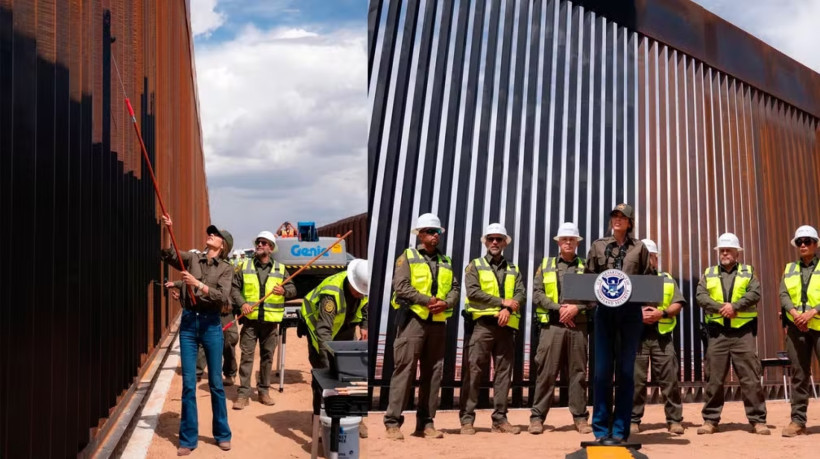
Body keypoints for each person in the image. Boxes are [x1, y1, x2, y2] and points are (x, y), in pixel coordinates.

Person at [160, 215, 233, 455]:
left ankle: (222, 434)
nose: (210, 235)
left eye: (215, 234)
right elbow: (170, 255)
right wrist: (167, 229)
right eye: (210, 233)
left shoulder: (226, 268)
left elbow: (222, 297)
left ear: (223, 245)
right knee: (189, 384)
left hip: (212, 324)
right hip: (190, 323)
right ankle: (187, 439)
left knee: (215, 384)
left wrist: (197, 285)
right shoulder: (193, 259)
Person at [383, 213, 460, 440]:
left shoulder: (446, 261)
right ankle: (393, 422)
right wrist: (428, 301)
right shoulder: (408, 256)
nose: (434, 235)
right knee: (404, 371)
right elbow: (401, 286)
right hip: (413, 321)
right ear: (421, 234)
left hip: (437, 323)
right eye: (430, 231)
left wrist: (446, 302)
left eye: (437, 232)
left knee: (433, 373)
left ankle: (426, 423)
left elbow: (455, 288)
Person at [585, 203, 651, 444]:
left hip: (630, 315)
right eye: (614, 215)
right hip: (604, 315)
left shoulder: (640, 248)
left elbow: (649, 280)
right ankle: (601, 430)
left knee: (625, 373)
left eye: (622, 217)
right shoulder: (598, 246)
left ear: (630, 222)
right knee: (602, 373)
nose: (617, 219)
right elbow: (587, 278)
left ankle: (621, 430)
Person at [696, 232, 769, 435]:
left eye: (729, 250)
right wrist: (722, 307)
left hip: (742, 334)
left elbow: (755, 293)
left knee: (750, 378)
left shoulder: (748, 272)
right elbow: (700, 295)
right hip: (717, 334)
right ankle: (710, 420)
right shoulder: (709, 273)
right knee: (714, 378)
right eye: (722, 250)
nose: (725, 253)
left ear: (737, 253)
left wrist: (735, 306)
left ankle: (757, 420)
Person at [460, 223, 526, 435]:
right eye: (491, 239)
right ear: (485, 242)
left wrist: (507, 307)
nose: (495, 242)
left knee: (503, 374)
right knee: (473, 372)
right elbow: (473, 292)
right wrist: (503, 303)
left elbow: (520, 295)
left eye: (499, 239)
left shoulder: (514, 268)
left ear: (505, 242)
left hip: (506, 327)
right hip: (482, 326)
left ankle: (500, 419)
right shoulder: (475, 265)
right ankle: (467, 419)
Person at [528, 222, 592, 435]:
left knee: (578, 373)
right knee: (546, 372)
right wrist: (559, 309)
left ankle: (580, 418)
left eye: (571, 239)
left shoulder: (586, 267)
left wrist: (576, 308)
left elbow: (595, 298)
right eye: (564, 239)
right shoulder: (545, 265)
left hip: (578, 327)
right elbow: (537, 293)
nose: (568, 242)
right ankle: (537, 418)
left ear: (577, 243)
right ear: (558, 242)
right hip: (552, 327)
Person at [301, 258, 370, 436]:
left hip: (345, 330)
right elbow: (323, 331)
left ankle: (355, 417)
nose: (362, 295)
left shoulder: (364, 285)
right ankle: (320, 418)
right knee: (324, 377)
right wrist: (328, 361)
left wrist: (364, 326)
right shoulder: (331, 294)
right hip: (320, 331)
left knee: (353, 376)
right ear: (351, 282)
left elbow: (366, 309)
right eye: (359, 291)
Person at [232, 231, 297, 409]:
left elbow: (292, 289)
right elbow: (235, 289)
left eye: (264, 243)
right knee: (246, 357)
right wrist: (242, 303)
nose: (259, 245)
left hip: (270, 323)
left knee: (267, 358)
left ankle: (264, 391)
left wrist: (284, 292)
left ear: (270, 248)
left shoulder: (281, 269)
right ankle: (243, 394)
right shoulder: (244, 266)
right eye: (258, 242)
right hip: (251, 322)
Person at [630, 239, 686, 435]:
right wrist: (638, 315)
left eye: (650, 257)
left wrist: (660, 314)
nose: (648, 260)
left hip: (662, 338)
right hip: (637, 339)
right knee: (635, 382)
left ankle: (674, 420)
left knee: (669, 381)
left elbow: (678, 303)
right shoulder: (628, 280)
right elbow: (619, 307)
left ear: (655, 259)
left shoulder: (667, 278)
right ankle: (633, 420)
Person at [779, 225, 820, 437]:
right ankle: (798, 421)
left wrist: (812, 313)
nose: (803, 245)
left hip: (819, 325)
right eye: (800, 242)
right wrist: (796, 314)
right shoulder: (789, 268)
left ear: (816, 243)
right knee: (799, 375)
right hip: (797, 327)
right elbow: (783, 294)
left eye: (807, 241)